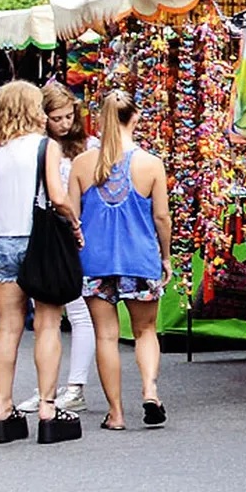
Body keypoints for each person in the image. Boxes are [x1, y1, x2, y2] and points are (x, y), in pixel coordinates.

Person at [0, 81, 83, 445]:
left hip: (3, 239)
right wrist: (73, 221)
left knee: (7, 328)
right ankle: (47, 407)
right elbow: (57, 197)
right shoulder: (46, 147)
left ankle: (3, 408)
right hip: (39, 240)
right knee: (47, 325)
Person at [68, 90, 171, 431]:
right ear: (135, 118)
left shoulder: (83, 164)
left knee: (106, 337)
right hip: (139, 260)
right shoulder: (151, 164)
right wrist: (166, 256)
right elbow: (161, 218)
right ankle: (150, 390)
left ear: (100, 119)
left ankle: (116, 413)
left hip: (95, 263)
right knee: (145, 331)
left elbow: (72, 217)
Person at [18, 83, 99, 413]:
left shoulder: (89, 146)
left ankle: (74, 386)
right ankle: (48, 387)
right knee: (48, 316)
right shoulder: (41, 147)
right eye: (57, 117)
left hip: (79, 232)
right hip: (53, 232)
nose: (65, 123)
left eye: (69, 116)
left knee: (79, 312)